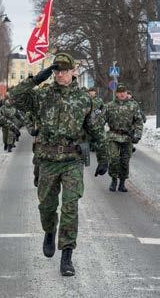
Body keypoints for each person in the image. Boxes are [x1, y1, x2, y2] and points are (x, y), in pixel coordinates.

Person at [10, 52, 108, 276]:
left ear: (73, 71)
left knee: (70, 207)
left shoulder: (85, 100)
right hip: (47, 160)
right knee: (46, 206)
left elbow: (95, 130)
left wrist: (104, 156)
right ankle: (49, 231)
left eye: (64, 70)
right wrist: (36, 80)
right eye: (56, 70)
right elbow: (15, 97)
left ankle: (66, 256)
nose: (60, 74)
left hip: (72, 160)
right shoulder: (42, 96)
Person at [105, 83, 143, 192]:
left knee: (125, 161)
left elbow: (139, 122)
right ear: (116, 94)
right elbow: (101, 121)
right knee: (114, 159)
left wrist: (137, 135)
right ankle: (113, 180)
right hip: (113, 136)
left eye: (124, 92)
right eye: (119, 92)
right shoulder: (109, 106)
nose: (122, 94)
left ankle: (122, 182)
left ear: (127, 93)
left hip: (127, 137)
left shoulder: (133, 105)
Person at [87, 87, 105, 151]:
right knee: (88, 134)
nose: (91, 93)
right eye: (90, 91)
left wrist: (100, 114)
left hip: (97, 119)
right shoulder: (86, 99)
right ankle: (89, 145)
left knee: (96, 133)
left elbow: (103, 108)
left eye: (92, 91)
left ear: (95, 92)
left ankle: (95, 145)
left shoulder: (99, 100)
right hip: (88, 119)